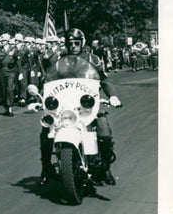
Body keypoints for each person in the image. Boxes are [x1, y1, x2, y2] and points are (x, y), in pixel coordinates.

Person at [38, 28, 122, 187]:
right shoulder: (59, 61)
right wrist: (43, 96)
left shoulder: (93, 59)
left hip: (88, 103)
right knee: (47, 127)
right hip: (65, 104)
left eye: (76, 43)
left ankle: (105, 168)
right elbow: (49, 80)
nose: (73, 46)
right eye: (70, 43)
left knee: (103, 129)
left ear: (82, 43)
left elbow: (104, 80)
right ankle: (46, 168)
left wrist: (112, 96)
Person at [0, 34, 18, 116]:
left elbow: (17, 60)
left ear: (8, 41)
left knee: (10, 88)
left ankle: (10, 107)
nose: (3, 42)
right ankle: (5, 107)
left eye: (4, 40)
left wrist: (20, 73)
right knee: (3, 90)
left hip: (10, 71)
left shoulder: (13, 49)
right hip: (1, 71)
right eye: (2, 41)